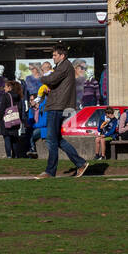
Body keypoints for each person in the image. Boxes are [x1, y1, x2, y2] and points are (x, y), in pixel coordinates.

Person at [34, 45, 89, 178]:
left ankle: (49, 171)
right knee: (57, 139)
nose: (53, 57)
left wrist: (41, 77)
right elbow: (55, 83)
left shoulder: (64, 66)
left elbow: (51, 79)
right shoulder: (63, 67)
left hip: (57, 106)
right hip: (56, 104)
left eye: (55, 55)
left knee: (51, 140)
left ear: (62, 56)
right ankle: (80, 163)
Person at [0, 79, 25, 158]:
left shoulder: (6, 96)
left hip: (6, 120)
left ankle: (9, 155)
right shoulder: (18, 96)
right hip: (15, 120)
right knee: (14, 138)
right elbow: (20, 108)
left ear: (9, 87)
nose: (4, 88)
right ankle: (15, 155)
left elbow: (2, 109)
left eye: (5, 87)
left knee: (7, 137)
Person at [26, 92, 47, 157]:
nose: (30, 101)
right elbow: (30, 121)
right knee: (27, 133)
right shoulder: (31, 109)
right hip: (34, 128)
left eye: (32, 100)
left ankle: (33, 150)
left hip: (43, 128)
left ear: (36, 100)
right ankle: (32, 151)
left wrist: (33, 126)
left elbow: (44, 123)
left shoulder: (43, 108)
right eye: (30, 100)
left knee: (31, 135)